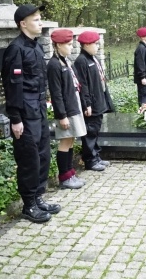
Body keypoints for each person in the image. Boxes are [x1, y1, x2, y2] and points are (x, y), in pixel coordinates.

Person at [1, 4, 61, 223]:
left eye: (40, 18)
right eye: (35, 19)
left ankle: (38, 198)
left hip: (39, 111)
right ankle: (29, 205)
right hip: (25, 115)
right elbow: (12, 86)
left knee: (43, 155)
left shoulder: (36, 47)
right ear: (22, 24)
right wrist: (15, 119)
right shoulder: (15, 49)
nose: (40, 22)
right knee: (29, 160)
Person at [47, 29, 86, 189]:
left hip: (73, 105)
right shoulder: (54, 65)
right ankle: (64, 177)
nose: (71, 48)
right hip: (66, 110)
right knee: (65, 141)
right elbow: (56, 93)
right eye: (68, 45)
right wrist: (62, 115)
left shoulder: (65, 61)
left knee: (71, 140)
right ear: (58, 45)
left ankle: (70, 173)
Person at [73, 31, 115, 171]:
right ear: (85, 45)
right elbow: (82, 84)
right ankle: (90, 160)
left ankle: (96, 156)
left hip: (99, 100)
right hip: (91, 103)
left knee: (95, 130)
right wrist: (87, 104)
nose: (97, 46)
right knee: (90, 131)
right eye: (95, 44)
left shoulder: (93, 58)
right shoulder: (81, 61)